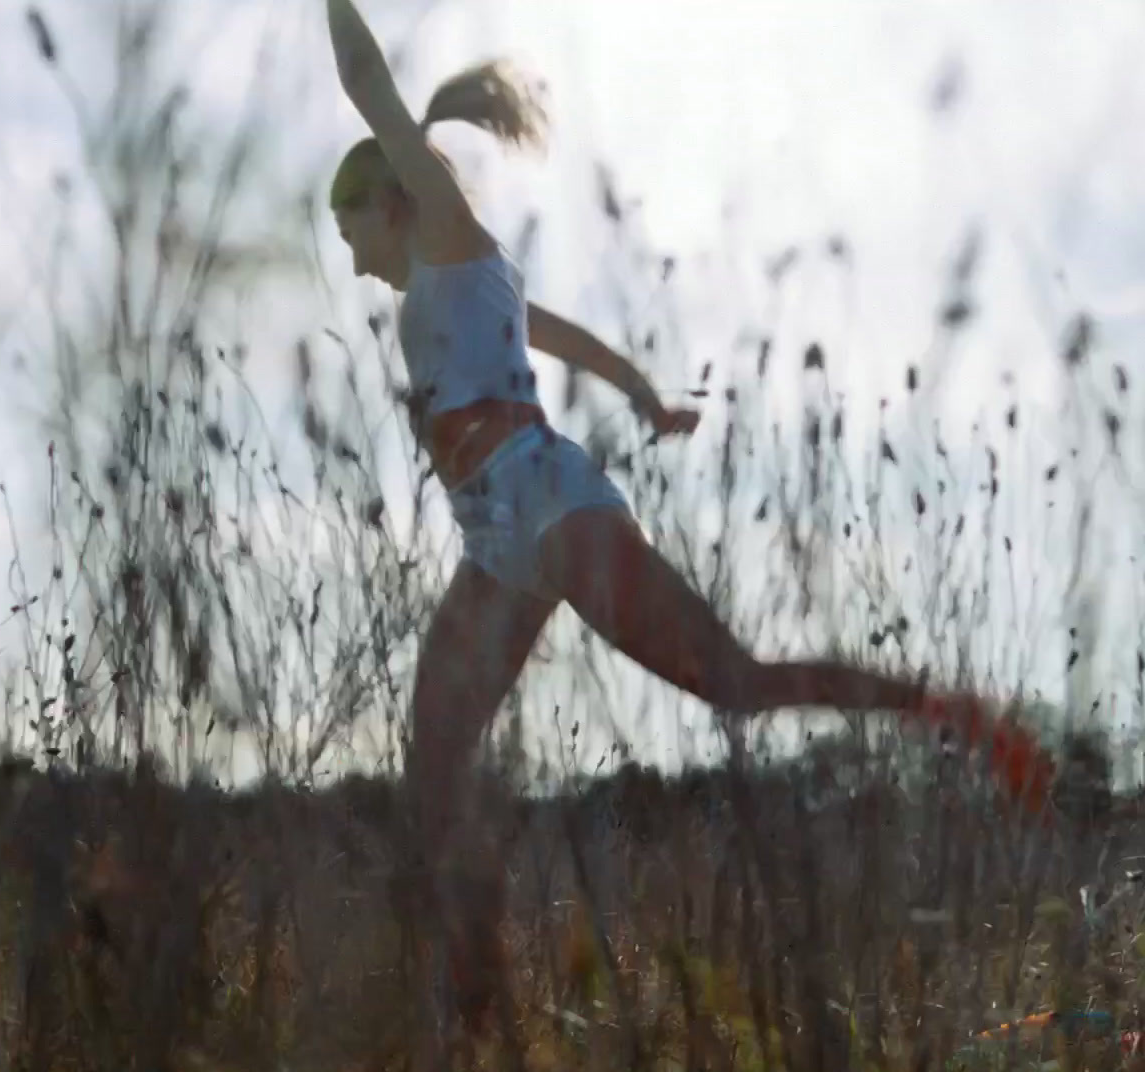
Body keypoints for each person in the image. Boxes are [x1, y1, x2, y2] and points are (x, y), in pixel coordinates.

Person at [322, 0, 1053, 1056]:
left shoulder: (438, 213)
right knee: (433, 764)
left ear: (390, 203)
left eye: (352, 235)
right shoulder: (449, 281)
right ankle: (477, 1022)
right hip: (495, 547)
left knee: (734, 683)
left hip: (550, 501)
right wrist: (637, 388)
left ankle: (964, 717)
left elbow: (362, 80)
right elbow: (547, 327)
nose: (351, 262)